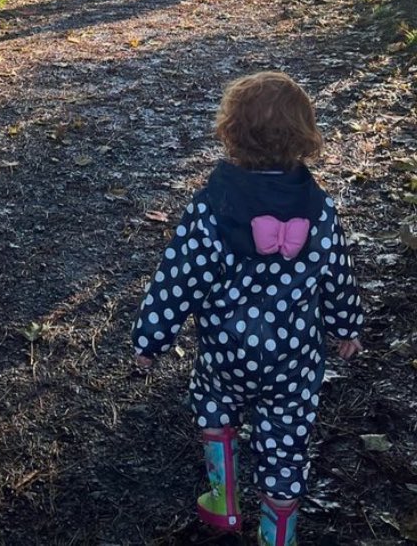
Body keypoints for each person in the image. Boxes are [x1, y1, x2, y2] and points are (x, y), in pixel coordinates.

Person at [132, 72, 363, 546]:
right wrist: (346, 326)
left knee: (213, 403)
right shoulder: (319, 209)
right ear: (304, 135)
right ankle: (278, 535)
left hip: (227, 349)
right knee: (285, 440)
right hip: (294, 358)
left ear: (232, 131)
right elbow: (336, 273)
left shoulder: (211, 206)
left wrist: (150, 340)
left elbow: (178, 277)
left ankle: (224, 499)